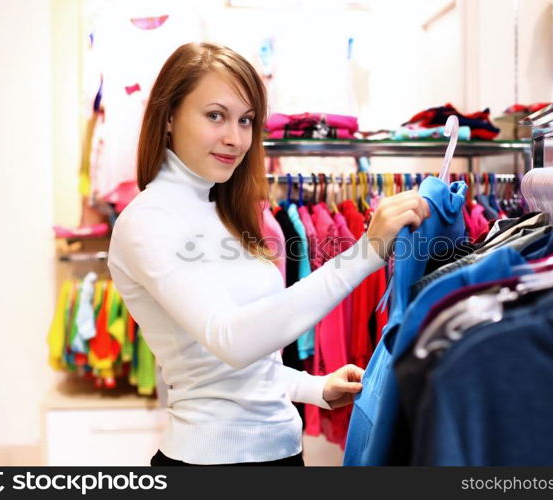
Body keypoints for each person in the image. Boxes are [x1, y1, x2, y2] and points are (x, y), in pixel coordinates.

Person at [107, 42, 430, 466]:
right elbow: (233, 340)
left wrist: (312, 387)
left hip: (279, 454)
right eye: (215, 116)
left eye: (246, 121)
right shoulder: (147, 222)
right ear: (169, 118)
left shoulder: (223, 211)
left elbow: (232, 372)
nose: (235, 138)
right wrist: (365, 253)